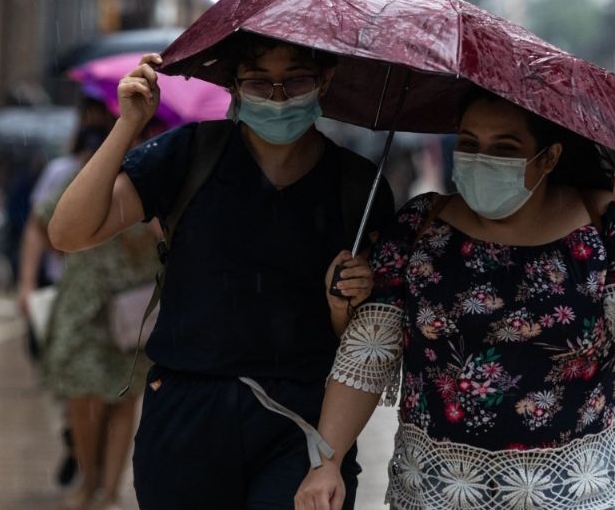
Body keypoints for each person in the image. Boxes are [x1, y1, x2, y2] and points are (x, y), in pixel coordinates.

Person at [295, 89, 615, 510]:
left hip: (569, 494)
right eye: (469, 144)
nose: (481, 159)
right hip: (436, 490)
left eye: (504, 148)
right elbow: (367, 353)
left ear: (548, 157)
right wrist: (328, 461)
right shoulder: (420, 225)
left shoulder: (603, 223)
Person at [47, 33, 394, 509]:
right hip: (187, 411)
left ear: (325, 80)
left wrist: (348, 299)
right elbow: (69, 232)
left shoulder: (359, 186)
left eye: (295, 82)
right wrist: (127, 126)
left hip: (304, 422)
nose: (277, 98)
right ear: (234, 84)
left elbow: (367, 336)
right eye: (258, 82)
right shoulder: (189, 155)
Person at [34, 121, 162, 510]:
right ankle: (89, 482)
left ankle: (108, 490)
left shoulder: (159, 177)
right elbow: (46, 222)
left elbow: (168, 236)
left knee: (123, 400)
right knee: (83, 397)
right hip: (84, 307)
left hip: (132, 310)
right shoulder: (87, 175)